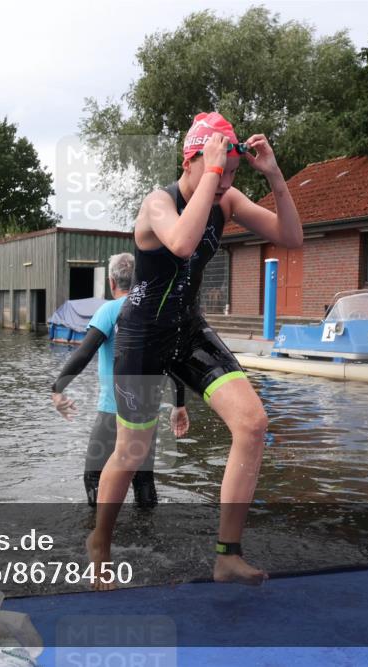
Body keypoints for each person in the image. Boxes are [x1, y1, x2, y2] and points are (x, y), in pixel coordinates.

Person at [86, 112, 303, 590]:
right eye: (219, 170)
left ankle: (228, 555)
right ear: (191, 161)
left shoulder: (227, 199)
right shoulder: (157, 203)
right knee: (131, 449)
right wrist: (212, 171)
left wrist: (274, 175)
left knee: (253, 424)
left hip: (188, 330)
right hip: (142, 337)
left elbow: (291, 237)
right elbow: (183, 243)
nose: (225, 183)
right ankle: (100, 541)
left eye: (232, 174)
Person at [52, 252, 189, 507]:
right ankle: (145, 528)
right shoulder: (154, 311)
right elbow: (172, 361)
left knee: (94, 477)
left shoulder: (110, 310)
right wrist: (179, 403)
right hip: (147, 413)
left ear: (112, 282)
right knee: (143, 479)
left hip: (112, 410)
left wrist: (57, 387)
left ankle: (99, 526)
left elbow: (84, 353)